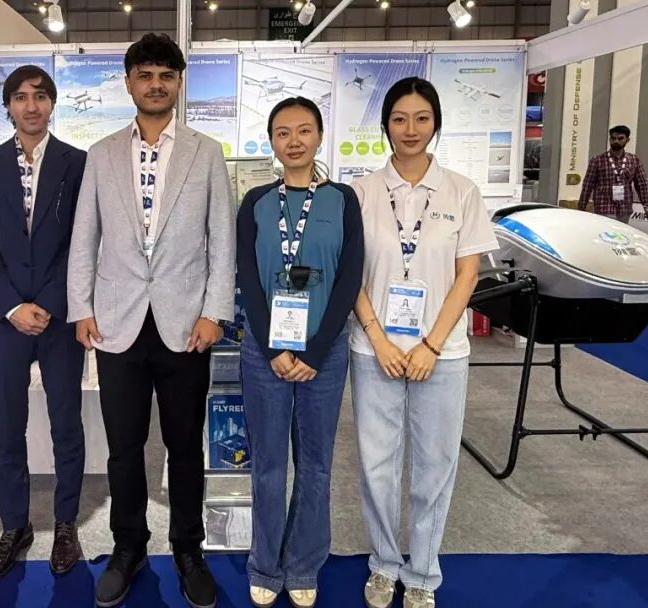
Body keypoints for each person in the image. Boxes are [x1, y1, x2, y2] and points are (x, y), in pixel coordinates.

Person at [67, 33, 236, 608]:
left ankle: (188, 549)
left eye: (166, 74)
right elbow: (85, 236)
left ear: (179, 83)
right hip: (117, 323)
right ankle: (128, 546)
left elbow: (222, 238)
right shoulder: (101, 154)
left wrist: (214, 311)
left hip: (186, 324)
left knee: (186, 446)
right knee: (123, 447)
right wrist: (82, 307)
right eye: (145, 74)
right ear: (129, 83)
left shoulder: (206, 152)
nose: (156, 84)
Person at [349, 77, 498, 608]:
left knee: (434, 465)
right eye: (399, 119)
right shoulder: (361, 193)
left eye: (421, 118)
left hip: (442, 353)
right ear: (385, 125)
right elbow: (350, 276)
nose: (410, 129)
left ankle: (422, 573)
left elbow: (467, 275)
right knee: (377, 465)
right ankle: (384, 564)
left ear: (435, 123)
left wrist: (431, 345)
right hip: (374, 351)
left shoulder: (462, 191)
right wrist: (379, 338)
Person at [235, 97, 363, 608]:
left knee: (315, 465)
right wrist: (273, 347)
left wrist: (315, 349)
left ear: (319, 136)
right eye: (283, 132)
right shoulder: (256, 202)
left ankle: (304, 563)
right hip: (263, 353)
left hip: (323, 353)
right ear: (272, 141)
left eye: (304, 130)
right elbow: (247, 277)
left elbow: (350, 277)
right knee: (268, 465)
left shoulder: (343, 199)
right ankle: (265, 564)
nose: (294, 141)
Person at [0, 65, 88, 582]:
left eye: (40, 96)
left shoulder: (78, 164)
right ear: (8, 106)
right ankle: (13, 526)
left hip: (60, 319)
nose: (31, 105)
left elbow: (83, 240)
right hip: (4, 319)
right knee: (8, 426)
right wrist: (12, 306)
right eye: (20, 97)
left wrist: (52, 302)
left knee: (66, 424)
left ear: (52, 103)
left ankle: (65, 523)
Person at [578, 125, 648, 223]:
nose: (616, 141)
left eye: (620, 138)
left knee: (621, 232)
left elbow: (642, 185)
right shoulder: (597, 160)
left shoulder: (634, 160)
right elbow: (587, 185)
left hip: (624, 209)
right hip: (604, 208)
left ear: (627, 140)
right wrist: (581, 207)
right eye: (613, 138)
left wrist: (647, 206)